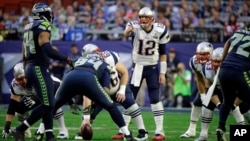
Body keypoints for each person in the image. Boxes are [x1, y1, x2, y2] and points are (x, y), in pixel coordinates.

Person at [11, 3, 72, 141]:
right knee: (48, 104)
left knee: (48, 102)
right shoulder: (43, 26)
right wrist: (65, 58)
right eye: (48, 13)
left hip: (31, 67)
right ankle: (20, 129)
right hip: (38, 67)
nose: (50, 16)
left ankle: (49, 136)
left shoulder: (27, 27)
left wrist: (27, 71)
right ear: (43, 14)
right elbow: (47, 50)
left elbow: (24, 53)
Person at [74, 43, 148, 140]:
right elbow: (86, 96)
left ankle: (143, 132)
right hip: (101, 92)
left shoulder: (110, 57)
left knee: (131, 105)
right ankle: (84, 130)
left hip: (116, 87)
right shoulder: (89, 67)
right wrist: (86, 118)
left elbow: (124, 72)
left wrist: (122, 90)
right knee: (90, 113)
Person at [53, 52, 134, 141]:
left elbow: (69, 75)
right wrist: (98, 98)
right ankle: (127, 134)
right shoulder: (104, 64)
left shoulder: (78, 60)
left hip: (69, 78)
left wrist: (72, 104)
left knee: (53, 105)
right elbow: (105, 90)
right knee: (111, 106)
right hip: (89, 79)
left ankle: (43, 131)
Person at [123, 7, 170, 141]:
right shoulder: (133, 26)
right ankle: (124, 129)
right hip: (138, 67)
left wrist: (163, 72)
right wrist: (128, 31)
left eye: (146, 17)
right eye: (141, 17)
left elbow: (163, 53)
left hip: (153, 67)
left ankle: (160, 131)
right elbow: (126, 33)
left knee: (155, 98)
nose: (143, 20)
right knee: (130, 98)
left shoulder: (160, 29)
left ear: (152, 19)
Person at [2, 63, 71, 140]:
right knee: (18, 111)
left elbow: (48, 106)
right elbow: (12, 106)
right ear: (15, 79)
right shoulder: (15, 86)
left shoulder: (40, 80)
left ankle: (63, 130)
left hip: (55, 88)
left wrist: (40, 130)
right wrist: (7, 126)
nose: (23, 81)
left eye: (25, 78)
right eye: (20, 79)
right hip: (35, 94)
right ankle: (24, 131)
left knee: (52, 106)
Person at [194, 47, 245, 141]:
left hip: (236, 91)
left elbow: (243, 91)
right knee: (206, 105)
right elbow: (209, 88)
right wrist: (218, 104)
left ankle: (241, 133)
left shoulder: (235, 68)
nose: (217, 64)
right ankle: (203, 135)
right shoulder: (207, 68)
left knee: (241, 109)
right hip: (217, 89)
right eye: (215, 61)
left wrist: (233, 104)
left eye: (219, 61)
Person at [216, 27, 250, 141]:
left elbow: (227, 42)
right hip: (239, 71)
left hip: (224, 69)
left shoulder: (239, 31)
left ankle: (220, 128)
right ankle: (240, 134)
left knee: (227, 101)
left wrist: (222, 60)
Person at [180, 41, 214, 138]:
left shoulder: (217, 59)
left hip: (223, 86)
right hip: (208, 85)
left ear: (211, 53)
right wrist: (203, 96)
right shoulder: (194, 61)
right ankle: (192, 130)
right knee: (197, 103)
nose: (201, 57)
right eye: (199, 54)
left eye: (204, 54)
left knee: (237, 107)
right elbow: (199, 78)